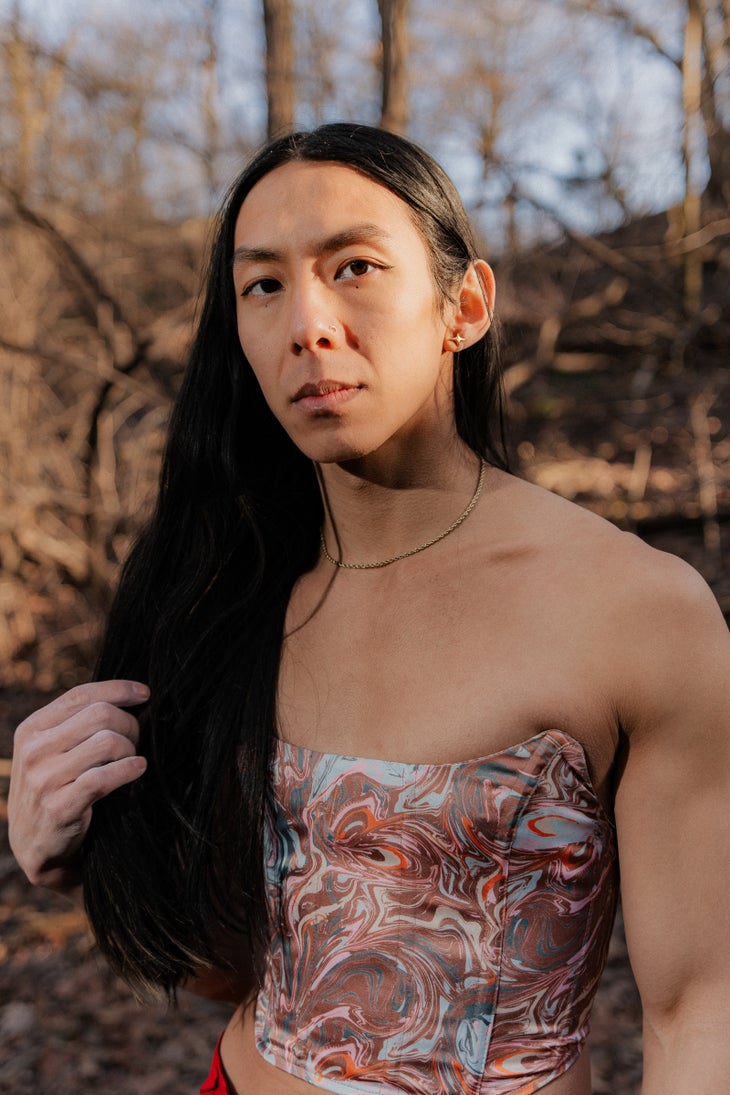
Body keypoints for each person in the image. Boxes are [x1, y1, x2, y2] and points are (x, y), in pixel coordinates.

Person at [7, 123, 730, 1095]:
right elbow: (243, 964)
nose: (307, 321)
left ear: (463, 306)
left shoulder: (635, 610)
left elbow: (700, 1007)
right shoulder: (229, 595)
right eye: (262, 284)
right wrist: (73, 856)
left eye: (352, 266)